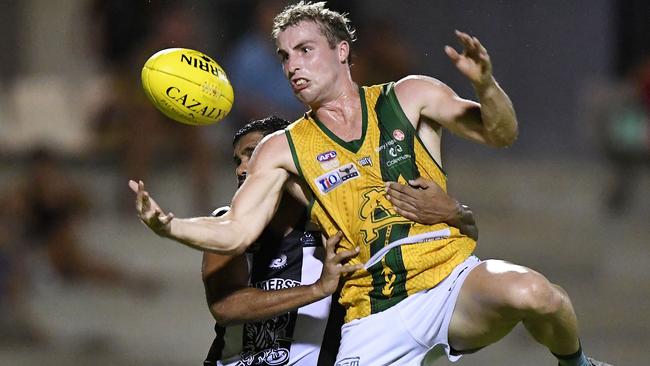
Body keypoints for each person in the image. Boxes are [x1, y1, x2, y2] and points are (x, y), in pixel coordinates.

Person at [131, 2, 610, 365]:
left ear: (342, 52)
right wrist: (168, 224)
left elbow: (501, 133)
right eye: (283, 56)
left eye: (304, 50)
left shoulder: (411, 95)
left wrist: (486, 86)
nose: (292, 65)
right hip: (374, 311)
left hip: (449, 283)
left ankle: (581, 364)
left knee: (539, 295)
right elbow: (235, 231)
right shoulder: (282, 147)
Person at [202, 116, 478, 366]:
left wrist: (457, 212)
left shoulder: (339, 224)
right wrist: (317, 289)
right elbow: (226, 306)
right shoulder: (225, 224)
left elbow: (447, 243)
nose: (242, 169)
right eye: (237, 160)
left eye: (253, 154)